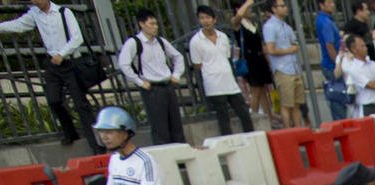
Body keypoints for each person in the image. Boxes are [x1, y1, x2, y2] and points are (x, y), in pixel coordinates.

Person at [0, 0, 95, 147]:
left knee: (81, 104)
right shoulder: (35, 14)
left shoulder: (64, 12)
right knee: (53, 100)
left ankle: (96, 143)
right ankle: (70, 132)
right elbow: (18, 25)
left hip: (69, 62)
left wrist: (62, 54)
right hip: (52, 65)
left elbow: (77, 38)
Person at [116, 8, 186, 145]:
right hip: (152, 88)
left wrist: (176, 74)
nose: (155, 27)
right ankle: (165, 155)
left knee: (175, 123)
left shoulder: (160, 41)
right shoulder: (134, 42)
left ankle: (181, 153)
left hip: (167, 85)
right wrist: (140, 82)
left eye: (156, 24)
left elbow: (178, 56)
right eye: (151, 24)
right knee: (160, 126)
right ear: (142, 24)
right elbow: (124, 64)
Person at [189, 4, 252, 133]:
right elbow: (197, 64)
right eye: (202, 18)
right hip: (214, 84)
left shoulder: (223, 37)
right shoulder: (196, 41)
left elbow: (227, 56)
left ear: (214, 19)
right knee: (223, 117)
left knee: (244, 113)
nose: (205, 21)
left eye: (207, 17)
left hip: (229, 81)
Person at [261, 0, 304, 127]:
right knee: (286, 105)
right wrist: (289, 50)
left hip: (294, 68)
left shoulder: (286, 26)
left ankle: (298, 130)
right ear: (274, 9)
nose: (285, 8)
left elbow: (294, 43)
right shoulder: (270, 26)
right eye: (282, 6)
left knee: (296, 104)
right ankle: (289, 132)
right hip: (283, 69)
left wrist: (292, 48)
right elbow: (271, 49)